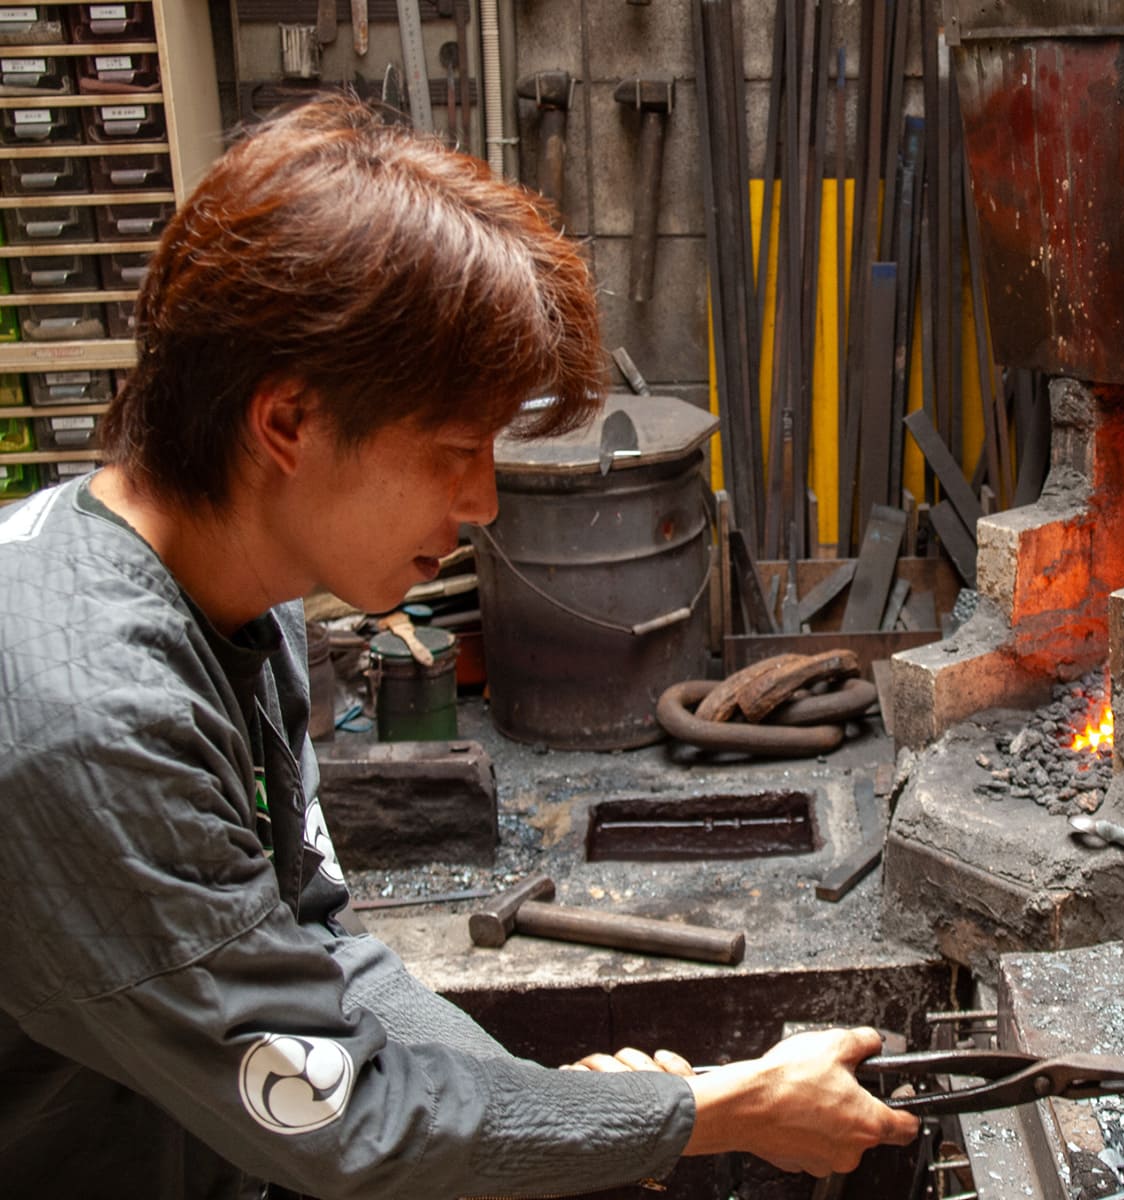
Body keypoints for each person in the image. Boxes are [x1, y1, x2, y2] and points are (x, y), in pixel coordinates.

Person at [0, 96, 918, 1198]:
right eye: (450, 450)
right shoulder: (92, 722)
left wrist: (567, 1119)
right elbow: (340, 1115)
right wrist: (711, 1110)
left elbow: (316, 945)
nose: (482, 500)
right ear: (285, 422)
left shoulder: (241, 589)